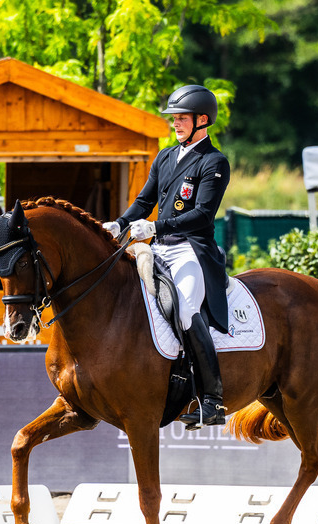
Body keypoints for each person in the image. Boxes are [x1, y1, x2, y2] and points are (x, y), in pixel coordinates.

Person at [102, 84, 230, 429]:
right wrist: (121, 223)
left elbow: (203, 214)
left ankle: (212, 401)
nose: (175, 123)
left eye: (181, 118)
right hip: (157, 248)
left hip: (191, 250)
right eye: (173, 118)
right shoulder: (165, 156)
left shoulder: (214, 162)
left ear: (202, 120)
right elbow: (144, 201)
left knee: (185, 310)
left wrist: (156, 227)